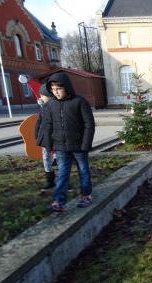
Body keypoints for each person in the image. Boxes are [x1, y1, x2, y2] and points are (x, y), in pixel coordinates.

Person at [45, 73, 95, 212]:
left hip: (79, 145)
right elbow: (48, 125)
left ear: (66, 88)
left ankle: (86, 196)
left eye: (58, 89)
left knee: (83, 171)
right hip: (60, 147)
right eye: (53, 89)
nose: (56, 92)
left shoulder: (79, 102)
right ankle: (58, 201)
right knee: (62, 172)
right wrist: (49, 146)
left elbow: (89, 123)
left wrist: (86, 143)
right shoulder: (51, 104)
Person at [35, 83, 56, 192]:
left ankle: (64, 181)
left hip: (55, 138)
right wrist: (37, 135)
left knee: (60, 160)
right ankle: (50, 181)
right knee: (46, 159)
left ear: (48, 96)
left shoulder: (55, 107)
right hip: (45, 139)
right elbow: (39, 123)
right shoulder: (43, 107)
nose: (40, 97)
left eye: (42, 95)